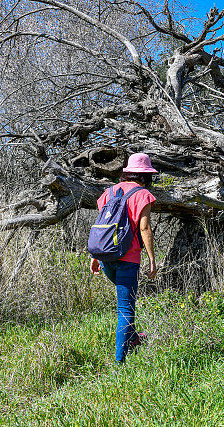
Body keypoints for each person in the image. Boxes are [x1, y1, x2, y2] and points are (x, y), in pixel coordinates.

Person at [90, 152, 158, 363]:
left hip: (106, 257)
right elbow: (145, 228)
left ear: (127, 173)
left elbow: (102, 226)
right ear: (145, 176)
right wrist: (152, 260)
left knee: (125, 304)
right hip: (128, 259)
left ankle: (134, 338)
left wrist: (94, 256)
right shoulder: (144, 195)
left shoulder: (107, 193)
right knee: (126, 310)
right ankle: (120, 362)